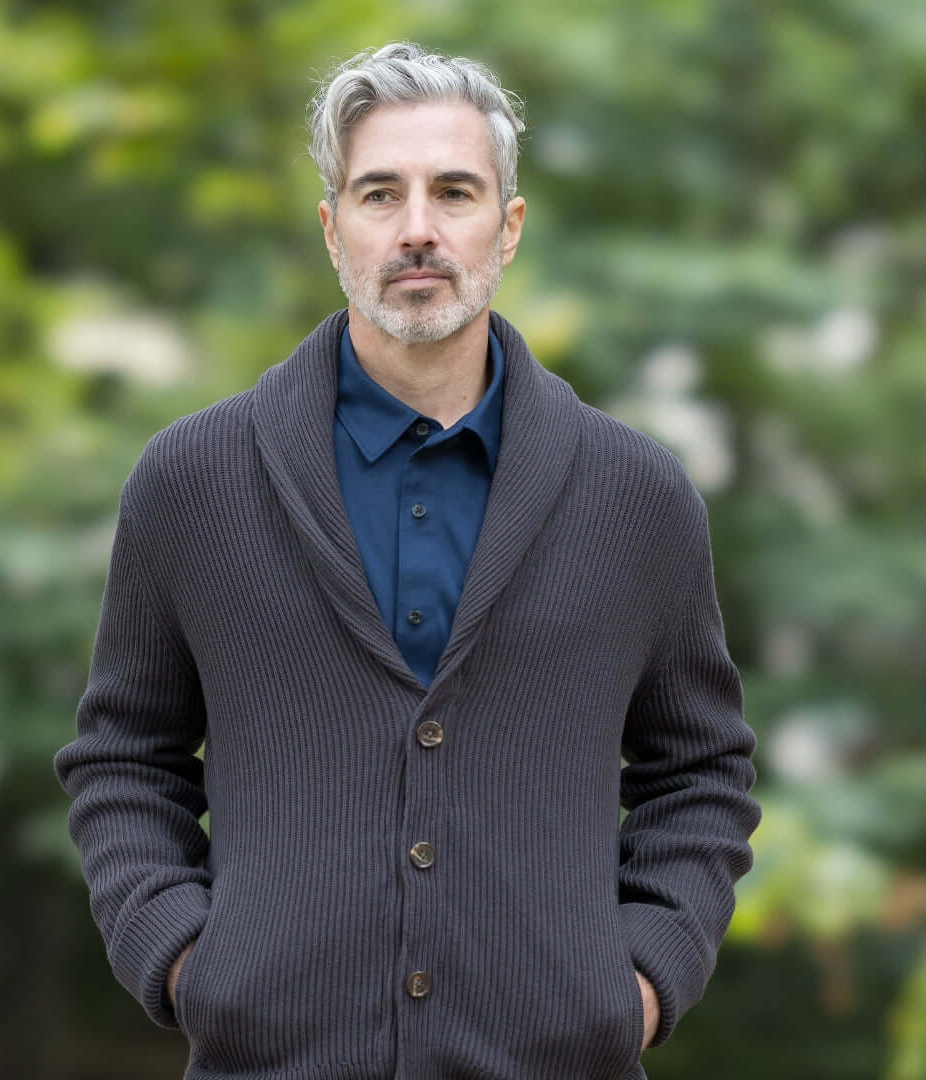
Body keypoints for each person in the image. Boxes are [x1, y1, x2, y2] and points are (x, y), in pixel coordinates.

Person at [53, 41, 761, 1080]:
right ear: (333, 226)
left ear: (508, 227)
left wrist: (643, 979)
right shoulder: (192, 482)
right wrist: (185, 960)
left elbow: (700, 770)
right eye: (380, 193)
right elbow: (123, 758)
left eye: (456, 191)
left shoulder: (637, 497)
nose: (418, 228)